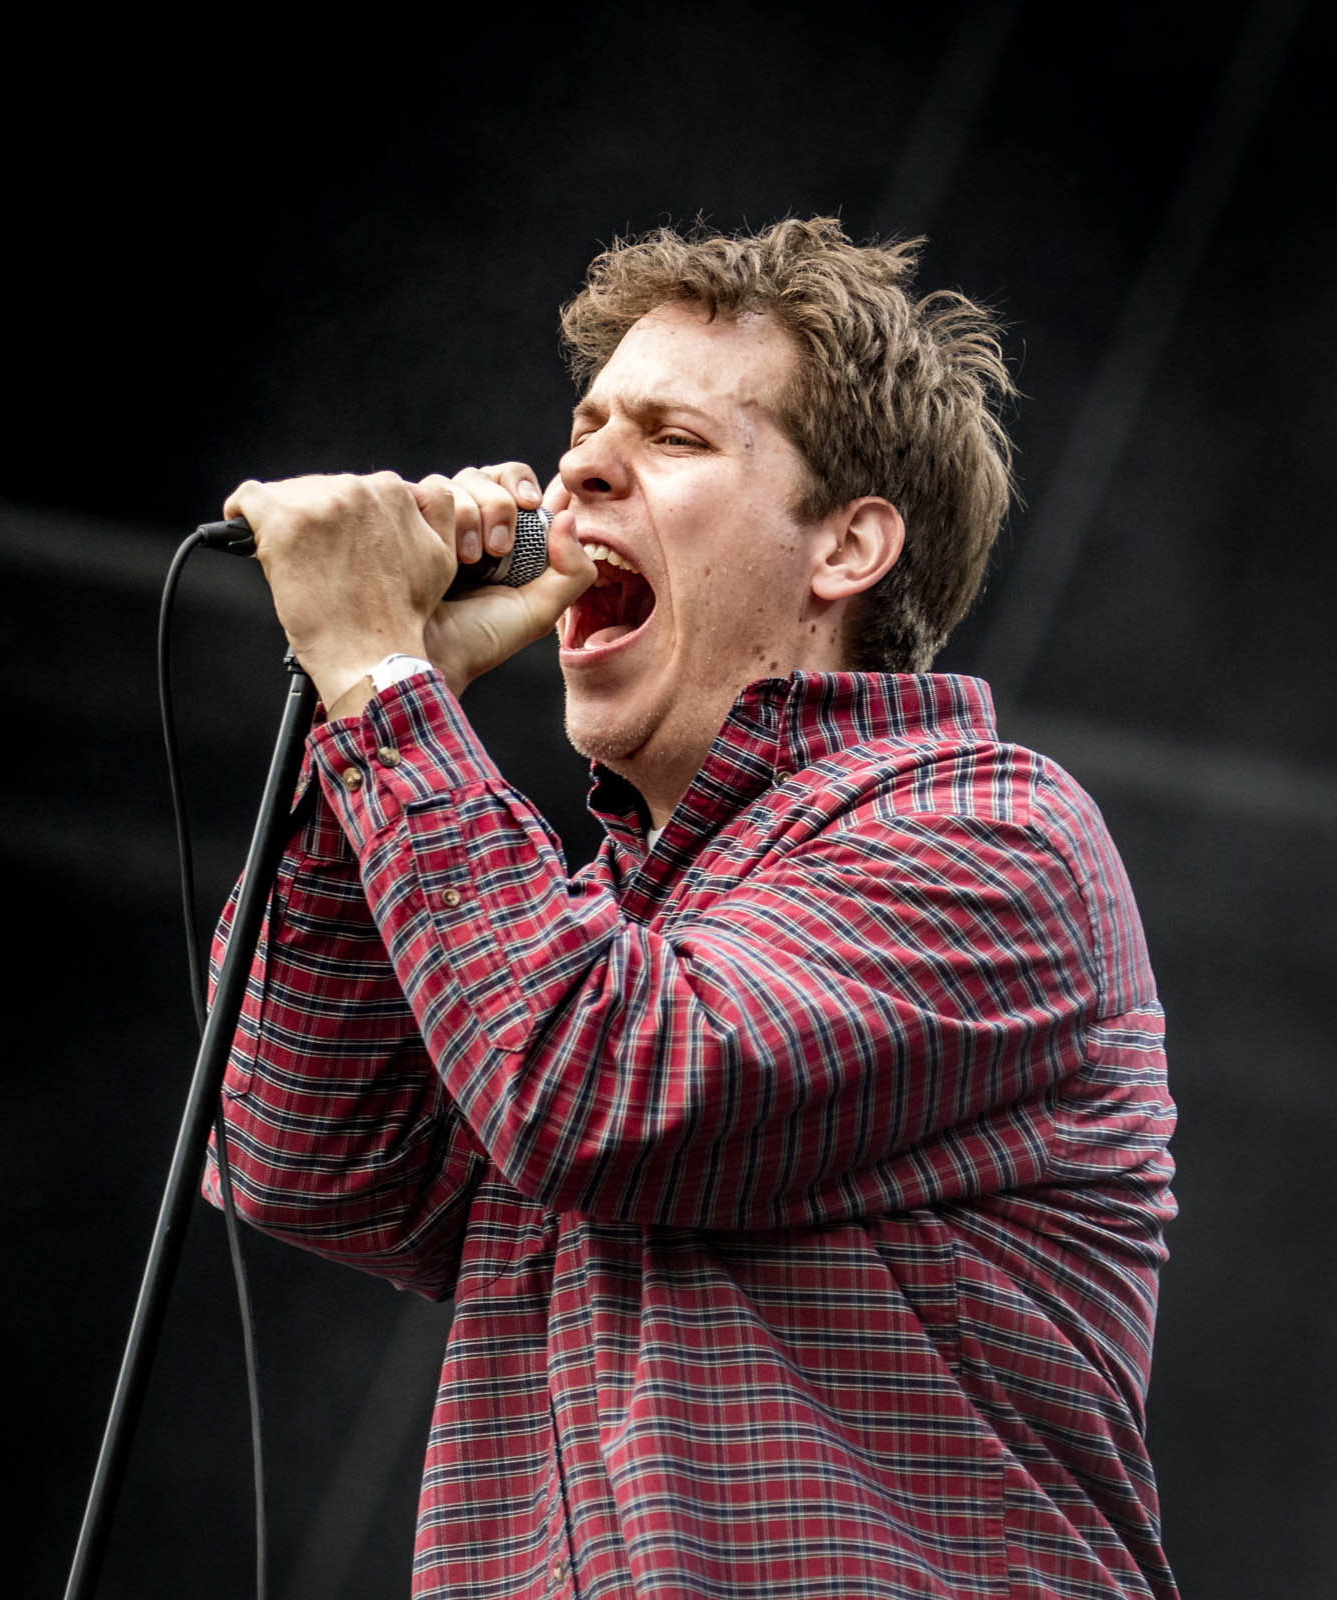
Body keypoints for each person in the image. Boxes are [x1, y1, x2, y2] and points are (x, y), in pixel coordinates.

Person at [204, 218, 1177, 1599]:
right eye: (588, 423)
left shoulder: (993, 837)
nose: (581, 465)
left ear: (848, 546)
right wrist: (386, 700)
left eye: (671, 438)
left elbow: (594, 1091)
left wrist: (381, 685)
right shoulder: (589, 926)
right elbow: (303, 1154)